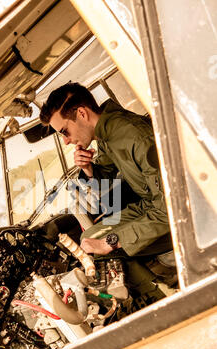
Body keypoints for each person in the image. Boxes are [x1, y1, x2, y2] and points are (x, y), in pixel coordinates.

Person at [40, 82, 174, 303]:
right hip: (151, 207)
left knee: (102, 246)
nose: (66, 141)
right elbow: (108, 170)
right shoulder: (108, 132)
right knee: (88, 238)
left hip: (175, 218)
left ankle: (160, 297)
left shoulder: (134, 135)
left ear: (82, 113)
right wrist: (89, 168)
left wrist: (112, 242)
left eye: (65, 131)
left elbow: (171, 209)